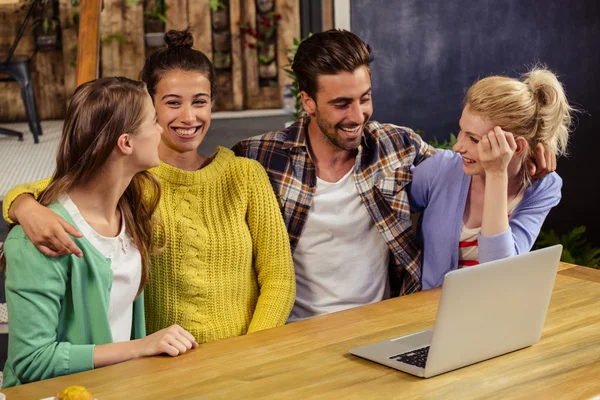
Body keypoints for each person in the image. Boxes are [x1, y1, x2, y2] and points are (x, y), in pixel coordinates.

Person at [232, 29, 555, 322]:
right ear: (308, 102)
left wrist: (524, 163)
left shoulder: (397, 146)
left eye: (365, 98)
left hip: (384, 323)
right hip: (296, 330)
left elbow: (462, 168)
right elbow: (202, 192)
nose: (358, 116)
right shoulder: (261, 157)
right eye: (341, 104)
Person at [2, 29, 295, 343]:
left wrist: (250, 351)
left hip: (243, 361)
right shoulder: (132, 176)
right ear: (150, 108)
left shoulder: (245, 175)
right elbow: (40, 189)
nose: (189, 116)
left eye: (200, 102)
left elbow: (279, 278)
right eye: (172, 103)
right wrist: (24, 207)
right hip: (159, 360)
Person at [1, 77, 197, 388]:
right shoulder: (37, 239)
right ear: (126, 143)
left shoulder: (131, 210)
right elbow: (31, 360)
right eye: (152, 121)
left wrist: (20, 201)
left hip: (118, 387)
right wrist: (139, 348)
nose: (160, 130)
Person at [408, 68, 573, 289]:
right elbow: (387, 209)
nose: (458, 146)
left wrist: (497, 174)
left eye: (474, 139)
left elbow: (499, 271)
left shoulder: (543, 188)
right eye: (461, 131)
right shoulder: (440, 169)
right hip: (426, 311)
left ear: (516, 148)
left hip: (492, 309)